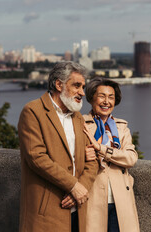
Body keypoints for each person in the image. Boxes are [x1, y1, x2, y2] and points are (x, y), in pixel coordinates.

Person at [18, 62, 99, 232]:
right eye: (77, 85)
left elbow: (92, 159)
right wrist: (73, 186)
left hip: (78, 210)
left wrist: (81, 188)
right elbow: (37, 158)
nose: (82, 93)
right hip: (48, 212)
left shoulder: (78, 118)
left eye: (83, 87)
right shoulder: (33, 112)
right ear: (59, 84)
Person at [83, 77, 140, 232]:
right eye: (102, 96)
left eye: (111, 97)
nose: (106, 102)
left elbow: (131, 158)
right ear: (91, 98)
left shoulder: (121, 128)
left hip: (120, 199)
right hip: (92, 197)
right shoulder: (81, 124)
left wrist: (100, 149)